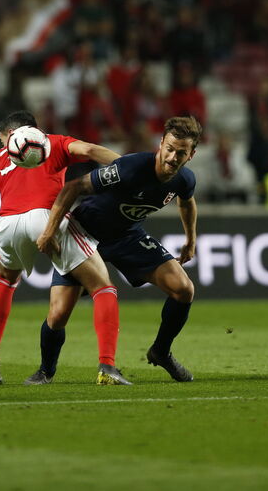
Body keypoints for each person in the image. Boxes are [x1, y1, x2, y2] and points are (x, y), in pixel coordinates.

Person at [0, 111, 129, 385]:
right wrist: (128, 166)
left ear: (11, 133)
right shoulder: (54, 142)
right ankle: (107, 367)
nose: (4, 145)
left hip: (6, 226)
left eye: (3, 138)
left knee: (5, 281)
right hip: (46, 218)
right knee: (103, 286)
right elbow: (89, 150)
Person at [27, 116, 201, 385]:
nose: (172, 157)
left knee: (184, 289)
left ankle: (161, 351)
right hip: (85, 232)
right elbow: (74, 187)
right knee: (59, 313)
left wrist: (190, 239)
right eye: (169, 148)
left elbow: (187, 203)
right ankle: (45, 371)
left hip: (126, 236)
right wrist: (50, 230)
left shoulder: (184, 179)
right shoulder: (129, 168)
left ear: (191, 154)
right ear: (161, 144)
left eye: (181, 152)